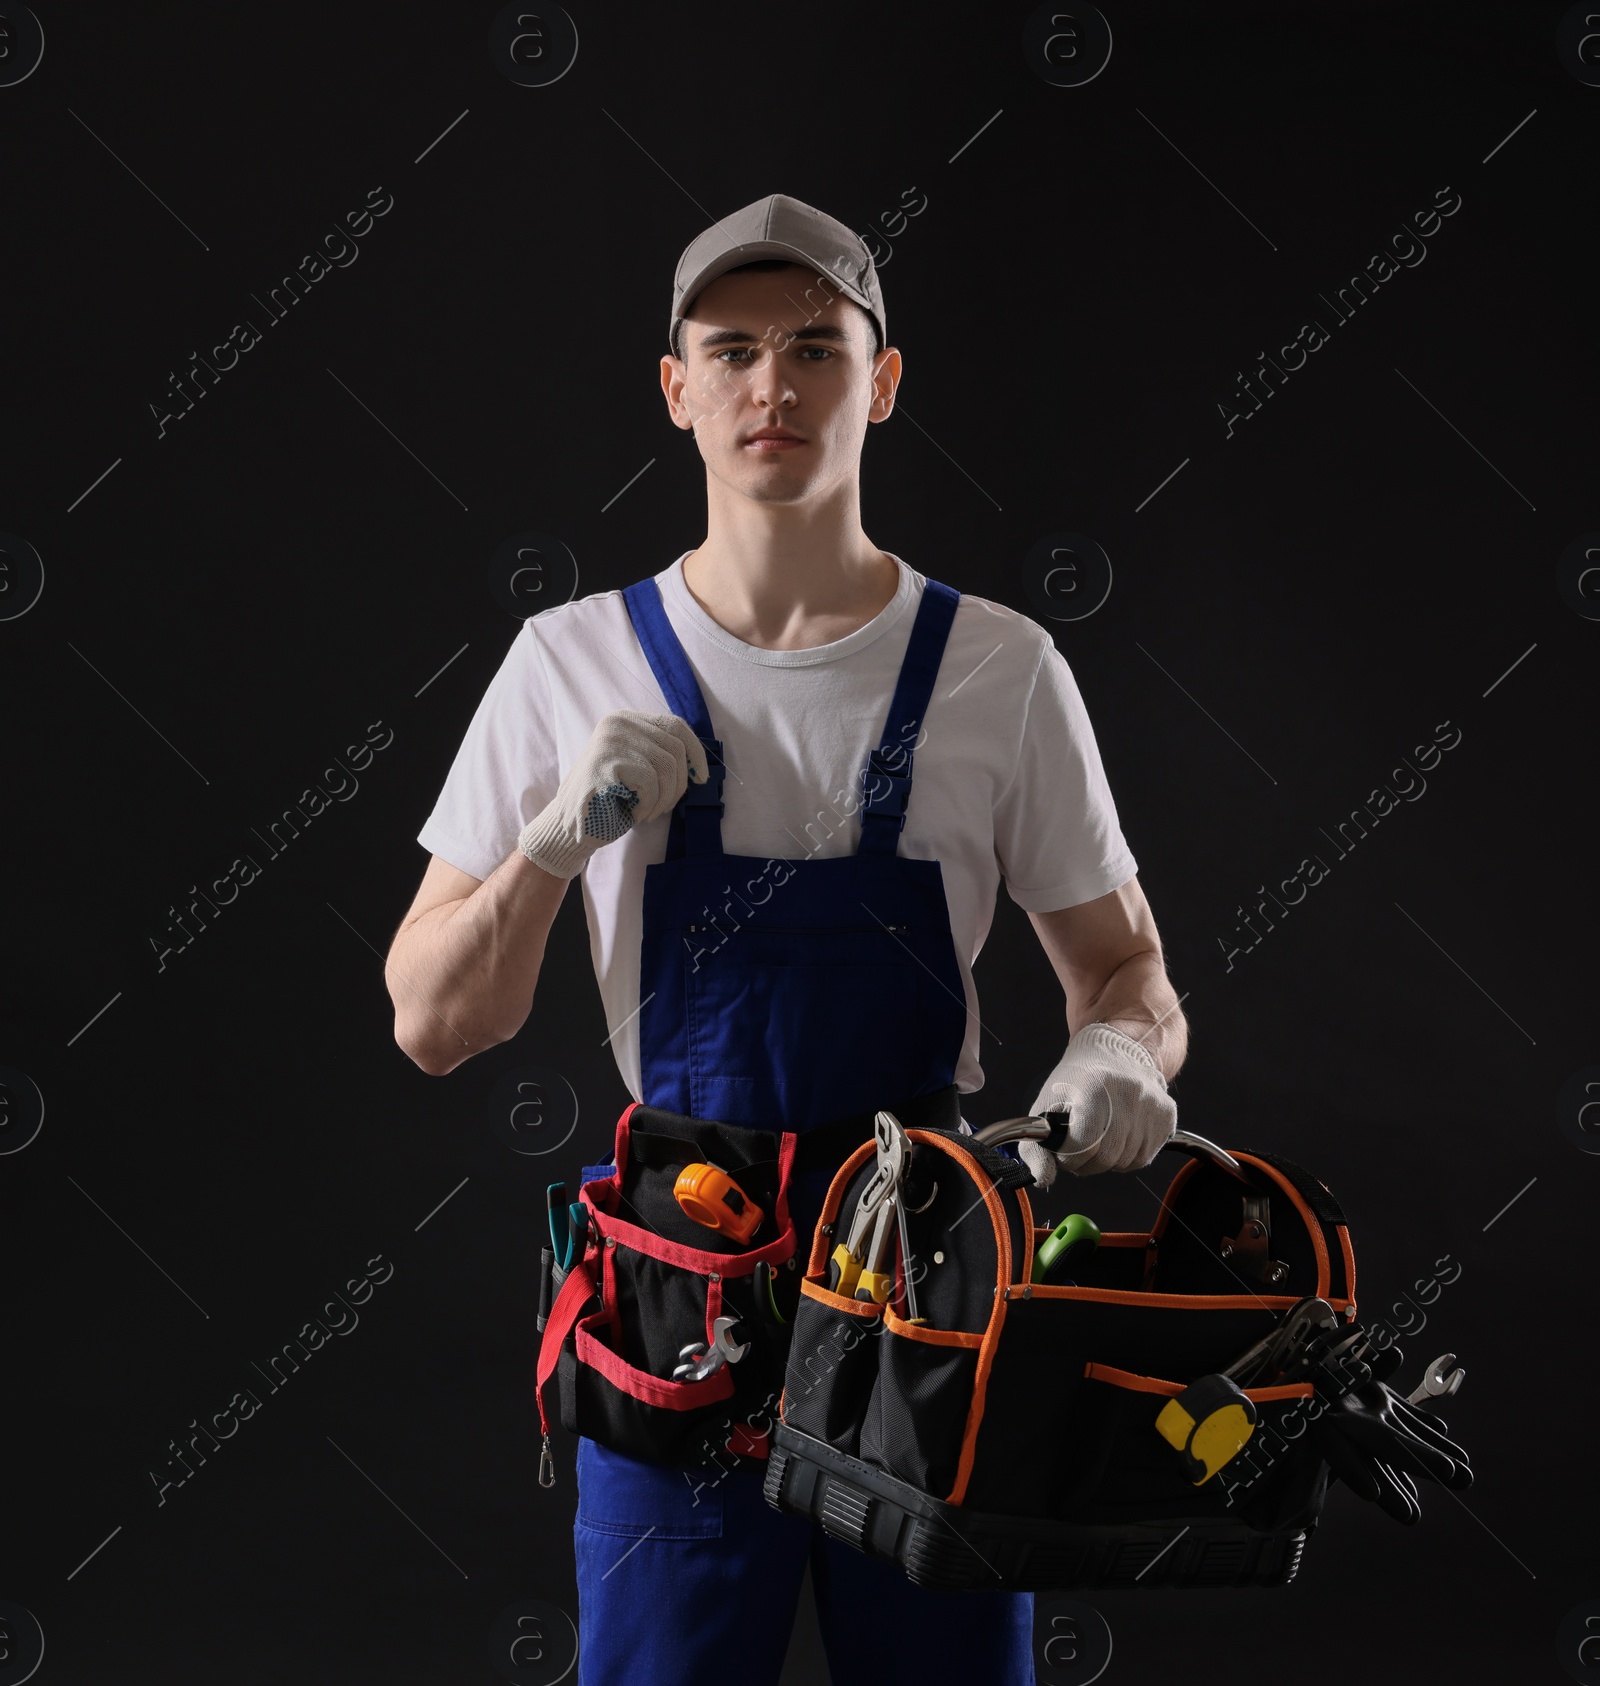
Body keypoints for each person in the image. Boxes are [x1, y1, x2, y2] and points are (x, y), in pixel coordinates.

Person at [385, 193, 1188, 1686]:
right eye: (734, 348)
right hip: (678, 1297)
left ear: (881, 383)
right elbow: (436, 1020)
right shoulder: (568, 664)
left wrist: (1121, 1045)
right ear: (677, 386)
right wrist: (554, 843)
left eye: (819, 346)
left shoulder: (1003, 669)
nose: (776, 385)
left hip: (932, 1286)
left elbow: (1129, 974)